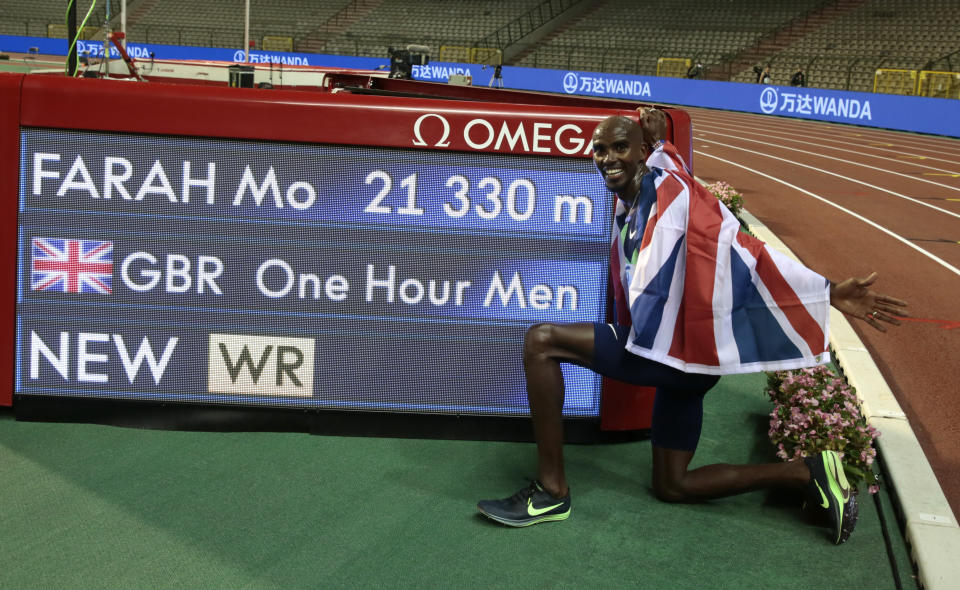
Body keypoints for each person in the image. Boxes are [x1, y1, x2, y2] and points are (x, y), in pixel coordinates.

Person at [476, 114, 908, 544]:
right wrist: (660, 134)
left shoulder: (672, 193)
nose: (607, 158)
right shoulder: (648, 181)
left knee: (541, 342)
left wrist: (828, 291)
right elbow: (667, 156)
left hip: (675, 357)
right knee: (673, 485)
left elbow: (746, 248)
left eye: (619, 148)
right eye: (600, 149)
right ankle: (807, 470)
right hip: (686, 359)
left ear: (641, 153)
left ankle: (551, 492)